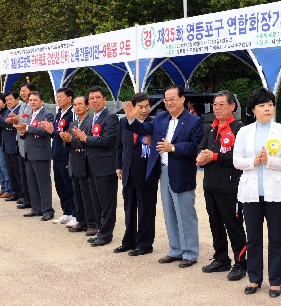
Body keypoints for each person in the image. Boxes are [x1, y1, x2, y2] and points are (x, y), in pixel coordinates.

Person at [124, 85, 204, 267]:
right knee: (169, 213)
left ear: (182, 99)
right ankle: (175, 250)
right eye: (166, 100)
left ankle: (190, 253)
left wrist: (173, 147)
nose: (168, 103)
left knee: (185, 213)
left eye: (172, 99)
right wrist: (131, 119)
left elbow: (194, 146)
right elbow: (144, 129)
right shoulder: (161, 118)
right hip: (164, 170)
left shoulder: (194, 121)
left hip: (182, 172)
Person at [233, 87, 281, 298]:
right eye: (262, 105)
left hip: (276, 193)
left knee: (277, 238)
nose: (267, 108)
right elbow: (237, 160)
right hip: (251, 194)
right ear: (253, 110)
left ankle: (275, 281)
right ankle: (254, 278)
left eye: (270, 104)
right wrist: (255, 161)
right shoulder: (244, 132)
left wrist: (270, 161)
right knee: (253, 238)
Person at [197, 90, 247, 281]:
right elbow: (201, 148)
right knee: (215, 224)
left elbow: (239, 157)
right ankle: (221, 258)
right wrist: (200, 156)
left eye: (221, 104)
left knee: (234, 225)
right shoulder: (211, 128)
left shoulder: (239, 129)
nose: (217, 108)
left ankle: (241, 262)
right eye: (215, 105)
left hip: (230, 187)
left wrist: (214, 156)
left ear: (232, 106)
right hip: (210, 184)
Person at [73, 86, 119, 246]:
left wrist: (85, 139)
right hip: (91, 167)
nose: (94, 100)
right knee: (96, 202)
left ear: (105, 99)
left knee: (107, 203)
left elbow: (107, 140)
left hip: (105, 167)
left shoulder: (111, 118)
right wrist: (76, 139)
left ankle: (106, 234)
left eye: (98, 97)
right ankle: (101, 231)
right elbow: (87, 141)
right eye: (91, 98)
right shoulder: (94, 118)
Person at [114, 92, 159, 256]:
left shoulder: (153, 124)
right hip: (128, 172)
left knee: (146, 209)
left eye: (147, 106)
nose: (144, 110)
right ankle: (129, 241)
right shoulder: (123, 122)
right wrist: (118, 166)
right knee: (129, 208)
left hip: (146, 173)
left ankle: (145, 243)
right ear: (133, 107)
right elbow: (120, 146)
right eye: (141, 107)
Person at [60, 96, 97, 236]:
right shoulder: (73, 122)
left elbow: (87, 141)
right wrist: (66, 139)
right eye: (75, 105)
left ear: (87, 106)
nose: (77, 107)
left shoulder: (91, 122)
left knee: (88, 195)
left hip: (86, 162)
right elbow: (69, 143)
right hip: (74, 161)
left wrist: (73, 140)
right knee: (78, 194)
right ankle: (81, 220)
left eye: (80, 104)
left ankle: (92, 223)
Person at [15, 91, 55, 220]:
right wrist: (22, 131)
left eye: (35, 100)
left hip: (41, 153)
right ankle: (36, 208)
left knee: (43, 183)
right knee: (31, 182)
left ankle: (47, 210)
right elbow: (27, 131)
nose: (32, 102)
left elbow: (45, 131)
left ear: (42, 101)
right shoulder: (29, 115)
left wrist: (27, 128)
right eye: (30, 100)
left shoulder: (47, 114)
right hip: (29, 152)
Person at [41, 88, 76, 226]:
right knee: (60, 186)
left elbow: (67, 135)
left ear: (70, 98)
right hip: (56, 153)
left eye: (61, 96)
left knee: (69, 185)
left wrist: (53, 131)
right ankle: (66, 212)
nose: (58, 99)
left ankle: (75, 214)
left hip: (67, 154)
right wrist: (49, 130)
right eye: (57, 97)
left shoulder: (72, 113)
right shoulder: (59, 113)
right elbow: (55, 133)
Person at [6, 83, 36, 210]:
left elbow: (28, 121)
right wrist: (15, 119)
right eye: (21, 91)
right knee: (23, 174)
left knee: (31, 175)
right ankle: (26, 198)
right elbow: (21, 120)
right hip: (20, 142)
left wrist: (17, 120)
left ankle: (32, 200)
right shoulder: (23, 105)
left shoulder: (34, 106)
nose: (22, 93)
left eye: (25, 91)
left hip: (30, 144)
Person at [0, 91, 22, 202]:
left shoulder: (19, 110)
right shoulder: (7, 111)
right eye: (7, 100)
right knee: (10, 171)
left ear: (17, 99)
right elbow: (0, 125)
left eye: (10, 99)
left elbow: (11, 124)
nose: (8, 102)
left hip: (14, 144)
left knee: (17, 171)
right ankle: (15, 192)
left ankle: (22, 194)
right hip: (6, 144)